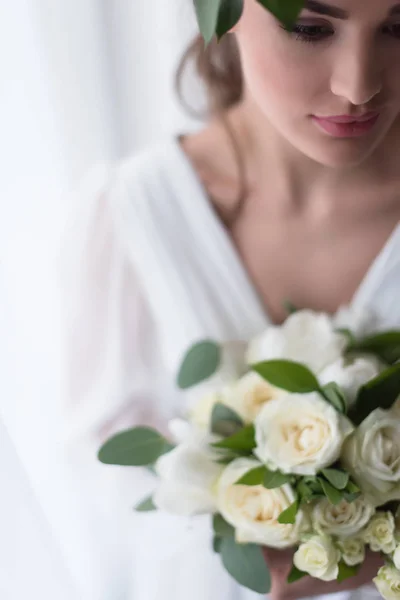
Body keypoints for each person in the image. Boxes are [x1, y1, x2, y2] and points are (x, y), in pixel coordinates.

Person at [61, 0, 400, 599]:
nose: (359, 85)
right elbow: (99, 471)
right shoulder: (134, 212)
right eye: (310, 28)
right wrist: (227, 525)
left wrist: (374, 550)